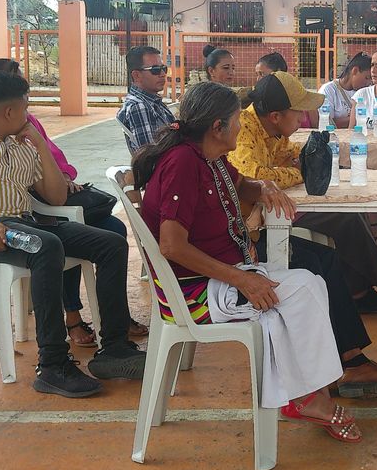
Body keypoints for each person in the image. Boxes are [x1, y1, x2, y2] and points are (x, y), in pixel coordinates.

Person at [133, 82, 364, 442]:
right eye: (237, 120)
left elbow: (241, 185)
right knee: (304, 287)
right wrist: (242, 280)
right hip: (195, 292)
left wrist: (264, 186)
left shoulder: (208, 157)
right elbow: (172, 246)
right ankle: (308, 398)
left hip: (223, 276)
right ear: (218, 127)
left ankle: (309, 393)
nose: (241, 127)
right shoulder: (183, 163)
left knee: (312, 281)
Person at [0, 72, 146, 397]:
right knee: (45, 245)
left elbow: (56, 197)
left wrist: (39, 144)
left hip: (22, 225)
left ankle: (115, 349)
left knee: (111, 243)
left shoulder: (20, 146)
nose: (29, 114)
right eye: (26, 107)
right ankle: (52, 365)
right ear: (10, 112)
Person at [225, 71, 377, 396]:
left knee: (327, 254)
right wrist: (298, 171)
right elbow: (253, 177)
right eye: (298, 111)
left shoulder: (270, 129)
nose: (304, 117)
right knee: (321, 255)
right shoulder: (244, 132)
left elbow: (286, 160)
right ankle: (349, 358)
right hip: (248, 240)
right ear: (276, 116)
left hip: (261, 226)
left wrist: (294, 167)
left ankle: (351, 359)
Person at [118, 45, 176, 155]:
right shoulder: (139, 106)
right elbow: (151, 155)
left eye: (163, 68)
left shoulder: (152, 101)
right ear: (137, 75)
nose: (163, 74)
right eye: (155, 70)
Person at [253, 52, 317, 128]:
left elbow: (316, 127)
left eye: (262, 74)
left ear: (278, 72)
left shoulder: (301, 96)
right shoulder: (260, 101)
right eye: (257, 75)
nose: (258, 79)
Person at [318, 52, 372, 129]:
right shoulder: (328, 90)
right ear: (355, 70)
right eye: (367, 78)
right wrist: (358, 118)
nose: (368, 83)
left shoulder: (365, 92)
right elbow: (327, 122)